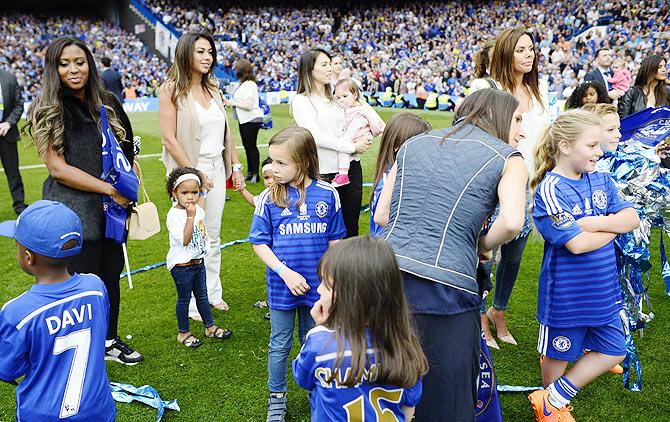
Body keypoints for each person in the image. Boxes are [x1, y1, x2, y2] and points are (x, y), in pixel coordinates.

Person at [374, 89, 528, 421]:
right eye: (517, 119)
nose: (522, 130)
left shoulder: (414, 144)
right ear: (497, 115)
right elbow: (514, 222)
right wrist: (482, 244)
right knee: (447, 392)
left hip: (383, 273)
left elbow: (382, 215)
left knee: (386, 378)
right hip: (447, 285)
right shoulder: (509, 158)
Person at [24, 36, 142, 364]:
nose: (74, 69)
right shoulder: (47, 108)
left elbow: (129, 146)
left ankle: (109, 341)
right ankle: (75, 351)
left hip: (113, 211)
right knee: (77, 285)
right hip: (72, 212)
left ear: (89, 63)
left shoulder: (108, 102)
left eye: (80, 61)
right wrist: (107, 189)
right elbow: (57, 168)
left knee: (110, 277)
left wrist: (128, 179)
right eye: (64, 64)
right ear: (54, 68)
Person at [528, 110, 640, 421]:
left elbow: (632, 219)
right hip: (566, 298)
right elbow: (576, 245)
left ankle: (551, 399)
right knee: (557, 354)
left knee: (615, 349)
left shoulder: (602, 179)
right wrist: (612, 227)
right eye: (592, 145)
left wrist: (594, 223)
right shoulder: (551, 189)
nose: (600, 151)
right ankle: (553, 408)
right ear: (565, 146)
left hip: (603, 292)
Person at [249, 127, 346, 422]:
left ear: (303, 162)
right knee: (279, 344)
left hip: (318, 290)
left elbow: (336, 242)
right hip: (282, 288)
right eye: (271, 161)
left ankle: (315, 390)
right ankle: (276, 399)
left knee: (312, 339)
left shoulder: (328, 194)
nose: (272, 169)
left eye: (281, 163)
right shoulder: (268, 198)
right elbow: (259, 243)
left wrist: (330, 282)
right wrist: (285, 273)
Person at [0, 200, 116, 421]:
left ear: (27, 257)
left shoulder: (17, 313)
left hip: (44, 414)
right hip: (97, 410)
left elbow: (8, 369)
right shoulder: (96, 287)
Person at [293, 236, 428, 421]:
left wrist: (320, 328)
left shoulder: (319, 345)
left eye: (326, 284)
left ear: (351, 296)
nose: (319, 290)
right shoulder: (405, 344)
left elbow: (303, 378)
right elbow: (407, 410)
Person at [159, 31, 245, 316]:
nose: (207, 57)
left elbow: (227, 134)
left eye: (210, 51)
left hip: (217, 169)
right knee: (191, 235)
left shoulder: (214, 89)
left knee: (213, 235)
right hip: (187, 176)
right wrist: (194, 175)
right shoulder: (170, 89)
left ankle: (213, 292)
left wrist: (235, 167)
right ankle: (194, 302)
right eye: (200, 51)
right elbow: (168, 138)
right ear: (185, 53)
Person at [474, 27, 546, 346]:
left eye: (531, 49)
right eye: (520, 50)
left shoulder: (536, 91)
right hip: (494, 180)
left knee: (515, 253)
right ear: (505, 53)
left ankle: (497, 311)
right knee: (484, 252)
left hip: (529, 183)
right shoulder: (491, 88)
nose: (528, 55)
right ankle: (478, 319)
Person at [291, 48, 370, 238]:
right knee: (323, 230)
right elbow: (315, 136)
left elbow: (362, 116)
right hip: (322, 173)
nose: (330, 69)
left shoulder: (338, 97)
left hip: (350, 169)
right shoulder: (301, 101)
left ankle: (350, 268)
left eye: (330, 64)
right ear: (310, 69)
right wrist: (352, 147)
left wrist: (365, 137)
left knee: (351, 227)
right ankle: (325, 268)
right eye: (324, 65)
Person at [166, 167, 233, 347]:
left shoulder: (197, 209)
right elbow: (185, 240)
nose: (190, 197)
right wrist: (190, 217)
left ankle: (209, 327)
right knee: (184, 299)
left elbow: (201, 205)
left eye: (194, 192)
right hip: (182, 266)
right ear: (174, 193)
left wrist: (204, 189)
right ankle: (183, 333)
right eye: (184, 192)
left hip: (198, 263)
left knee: (202, 297)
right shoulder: (174, 215)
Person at [370, 112, 431, 237]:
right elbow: (381, 217)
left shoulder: (399, 173)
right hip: (389, 247)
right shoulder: (389, 180)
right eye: (420, 145)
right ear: (397, 145)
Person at [331, 78, 385, 187]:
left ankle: (343, 174)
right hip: (359, 133)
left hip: (359, 131)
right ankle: (343, 174)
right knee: (344, 145)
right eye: (338, 97)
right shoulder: (354, 107)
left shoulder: (359, 111)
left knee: (343, 146)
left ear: (355, 95)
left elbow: (370, 121)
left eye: (345, 96)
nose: (341, 100)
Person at [239, 156, 274, 320]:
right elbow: (254, 201)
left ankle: (275, 307)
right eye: (267, 177)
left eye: (273, 176)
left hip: (284, 247)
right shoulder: (266, 196)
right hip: (269, 248)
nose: (270, 181)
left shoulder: (290, 195)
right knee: (272, 275)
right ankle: (271, 302)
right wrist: (242, 190)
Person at [224, 59, 264, 184]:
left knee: (251, 146)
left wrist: (232, 103)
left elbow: (249, 105)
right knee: (248, 146)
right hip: (245, 120)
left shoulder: (250, 84)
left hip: (251, 119)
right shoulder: (245, 84)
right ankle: (251, 172)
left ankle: (255, 174)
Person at [0, 69, 28, 215]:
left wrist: (8, 123)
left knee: (13, 172)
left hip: (7, 135)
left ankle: (19, 204)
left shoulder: (9, 78)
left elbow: (19, 104)